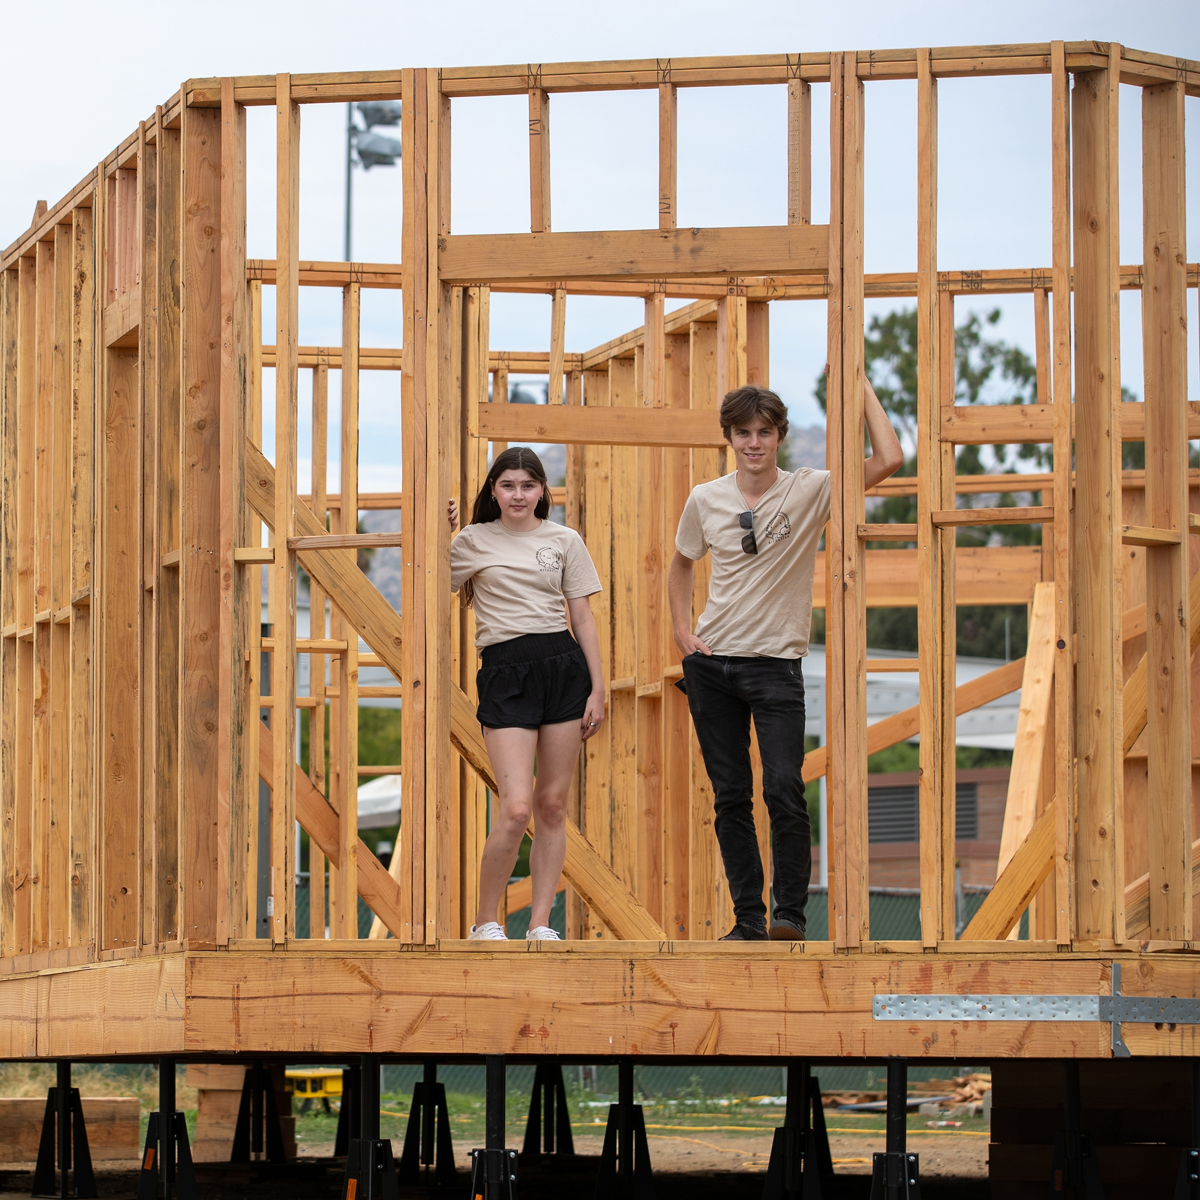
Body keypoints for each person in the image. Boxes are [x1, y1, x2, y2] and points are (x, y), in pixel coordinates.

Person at [668, 379, 902, 941]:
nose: (754, 443)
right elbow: (679, 565)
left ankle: (789, 915)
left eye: (764, 433)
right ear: (729, 437)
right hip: (714, 662)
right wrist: (682, 631)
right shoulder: (706, 498)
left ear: (779, 437)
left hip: (776, 666)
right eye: (743, 433)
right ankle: (747, 920)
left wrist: (859, 380)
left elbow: (890, 458)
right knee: (731, 797)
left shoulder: (811, 489)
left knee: (783, 787)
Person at [448, 446, 606, 941]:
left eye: (528, 485)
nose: (518, 494)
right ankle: (485, 921)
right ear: (493, 492)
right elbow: (428, 582)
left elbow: (581, 616)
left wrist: (598, 688)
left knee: (552, 805)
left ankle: (540, 925)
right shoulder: (471, 540)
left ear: (542, 491)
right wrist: (438, 531)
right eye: (508, 485)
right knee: (516, 807)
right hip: (504, 670)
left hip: (563, 667)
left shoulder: (565, 540)